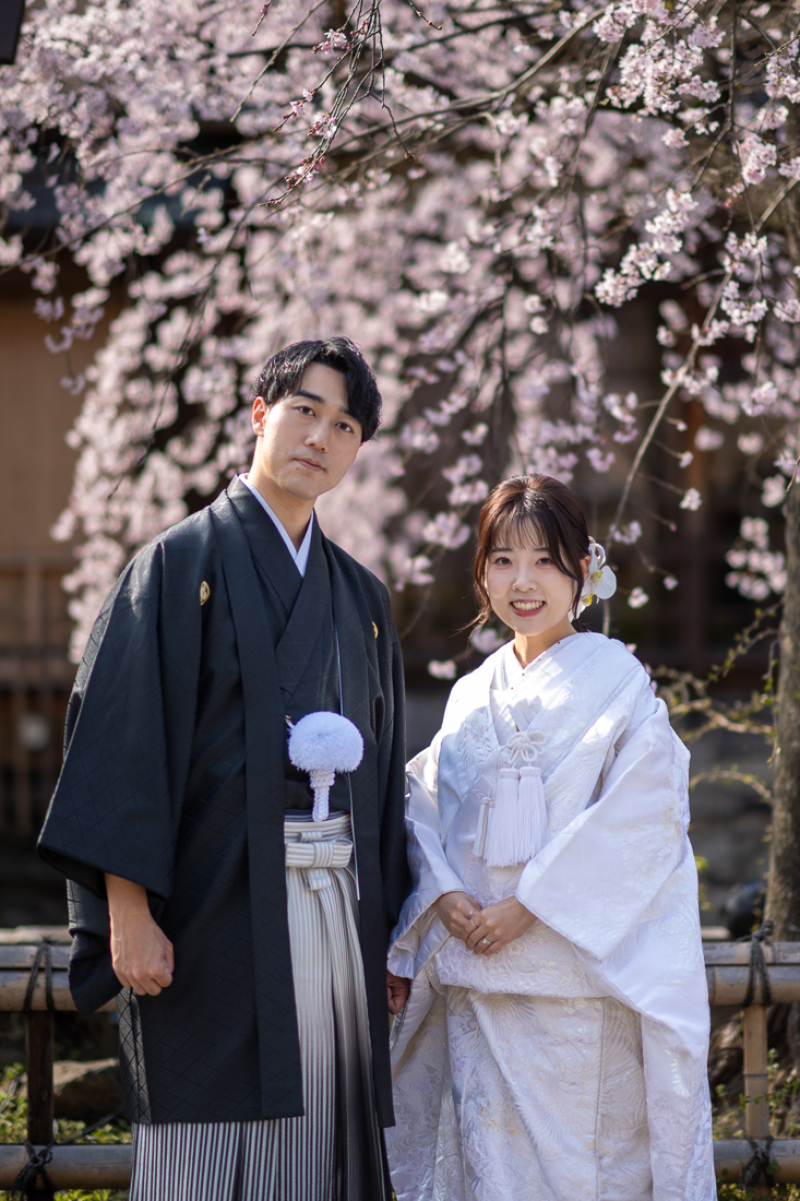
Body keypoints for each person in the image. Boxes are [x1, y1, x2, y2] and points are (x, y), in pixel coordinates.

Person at [38, 337, 411, 1201]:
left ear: (358, 450)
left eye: (344, 425)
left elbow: (386, 781)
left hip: (335, 910)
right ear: (259, 415)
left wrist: (390, 927)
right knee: (204, 1132)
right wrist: (125, 913)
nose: (321, 436)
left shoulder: (360, 598)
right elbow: (121, 742)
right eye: (304, 411)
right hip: (210, 912)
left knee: (326, 1117)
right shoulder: (176, 566)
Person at [385, 475, 716, 1201]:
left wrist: (528, 904)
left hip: (575, 992)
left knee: (585, 1173)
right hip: (480, 986)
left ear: (582, 571)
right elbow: (423, 798)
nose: (523, 581)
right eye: (502, 559)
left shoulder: (619, 681)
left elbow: (643, 812)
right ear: (481, 573)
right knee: (487, 1170)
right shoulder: (472, 691)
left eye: (546, 559)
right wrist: (442, 892)